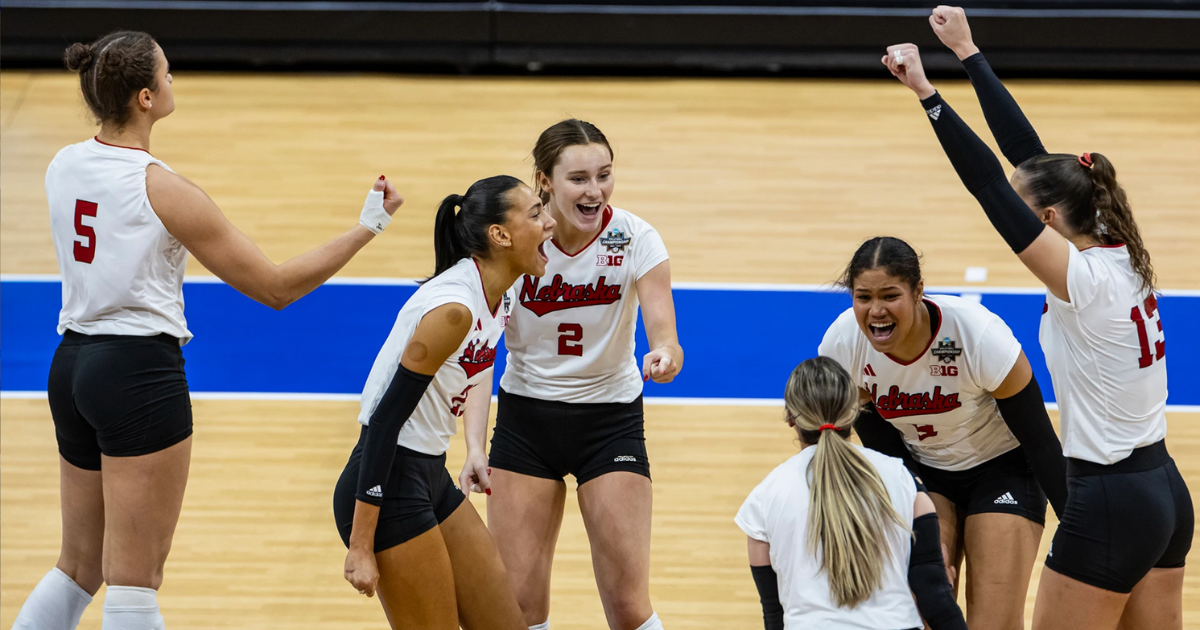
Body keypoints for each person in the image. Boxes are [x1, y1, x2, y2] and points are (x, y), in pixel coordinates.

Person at [13, 31, 402, 630]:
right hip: (137, 376)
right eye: (167, 75)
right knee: (135, 580)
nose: (174, 81)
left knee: (77, 567)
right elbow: (275, 288)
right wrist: (367, 228)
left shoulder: (63, 163)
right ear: (144, 98)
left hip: (70, 367)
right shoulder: (163, 188)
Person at [884, 9, 1193, 628]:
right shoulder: (1117, 249)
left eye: (1031, 214)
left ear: (1048, 220)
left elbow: (992, 187)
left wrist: (928, 95)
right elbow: (1029, 161)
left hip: (1109, 499)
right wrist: (969, 52)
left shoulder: (1081, 280)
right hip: (1164, 490)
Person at [477, 119, 683, 630]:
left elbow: (664, 331)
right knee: (518, 608)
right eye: (579, 179)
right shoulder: (515, 244)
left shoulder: (636, 237)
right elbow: (480, 352)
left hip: (609, 422)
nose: (595, 191)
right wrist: (475, 446)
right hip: (526, 424)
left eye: (604, 175)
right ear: (545, 181)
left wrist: (665, 354)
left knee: (629, 607)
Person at [333, 175, 556, 629]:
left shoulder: (501, 294)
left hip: (430, 475)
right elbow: (384, 422)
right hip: (386, 483)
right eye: (536, 213)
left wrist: (474, 446)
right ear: (500, 234)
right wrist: (361, 545)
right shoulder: (453, 309)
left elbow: (477, 365)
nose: (549, 223)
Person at [818, 236, 1067, 630]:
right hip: (924, 474)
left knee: (994, 622)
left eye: (889, 295)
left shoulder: (978, 336)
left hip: (1003, 470)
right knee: (924, 610)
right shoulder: (844, 345)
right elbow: (876, 444)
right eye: (863, 297)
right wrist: (905, 505)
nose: (876, 311)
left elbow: (1040, 441)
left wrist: (1079, 531)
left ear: (918, 291)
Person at [736, 356, 966, 630]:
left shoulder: (764, 497)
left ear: (789, 417)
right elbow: (935, 596)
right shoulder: (902, 479)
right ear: (854, 412)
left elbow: (774, 615)